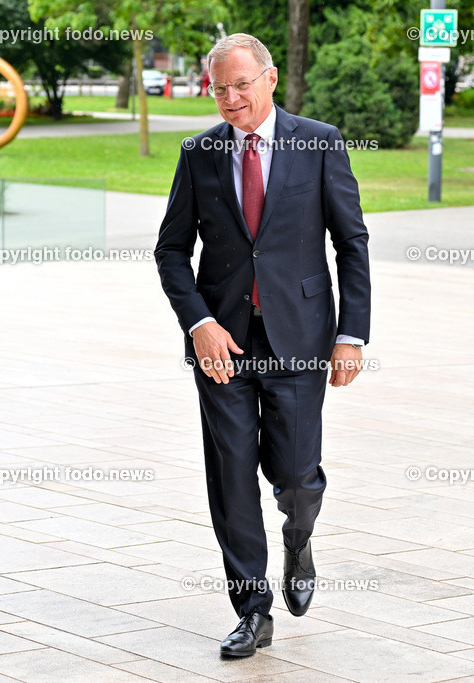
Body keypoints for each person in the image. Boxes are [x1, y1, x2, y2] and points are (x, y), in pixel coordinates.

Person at [155, 33, 371, 658]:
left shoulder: (320, 142)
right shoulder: (199, 154)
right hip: (222, 344)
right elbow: (172, 250)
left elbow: (350, 242)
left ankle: (299, 538)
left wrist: (350, 334)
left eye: (241, 84)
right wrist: (198, 323)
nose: (229, 97)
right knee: (230, 478)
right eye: (219, 87)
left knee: (297, 477)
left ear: (270, 80)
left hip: (300, 341)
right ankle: (252, 609)